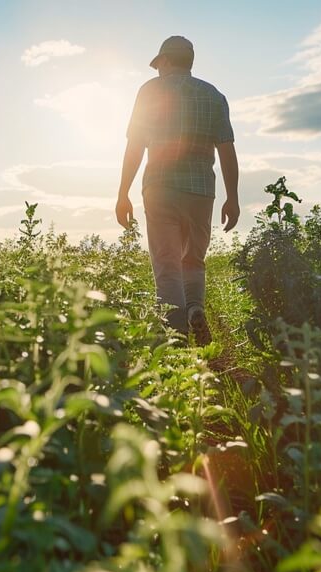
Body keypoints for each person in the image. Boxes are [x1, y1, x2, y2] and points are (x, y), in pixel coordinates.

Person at [115, 35, 239, 344]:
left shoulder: (149, 91)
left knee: (167, 263)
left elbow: (135, 147)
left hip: (159, 188)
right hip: (201, 191)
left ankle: (176, 337)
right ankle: (195, 307)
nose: (157, 69)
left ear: (167, 61)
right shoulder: (213, 95)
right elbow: (227, 150)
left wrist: (122, 193)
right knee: (193, 259)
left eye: (159, 64)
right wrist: (232, 198)